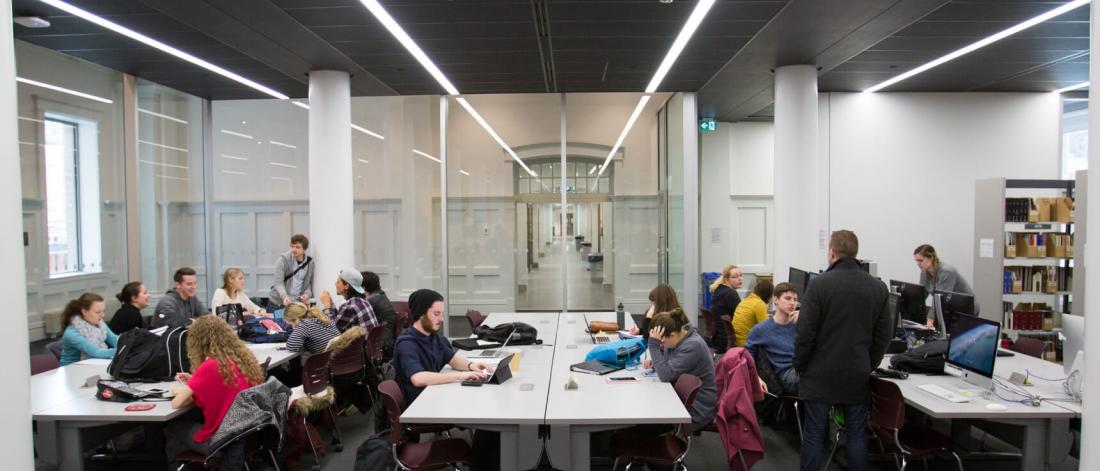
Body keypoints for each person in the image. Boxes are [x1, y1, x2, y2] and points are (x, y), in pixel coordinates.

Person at [794, 230, 892, 471]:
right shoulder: (878, 288)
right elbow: (883, 336)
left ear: (832, 252)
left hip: (818, 374)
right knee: (857, 434)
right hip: (856, 374)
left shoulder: (819, 285)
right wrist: (868, 363)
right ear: (855, 253)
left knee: (814, 435)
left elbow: (805, 332)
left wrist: (801, 364)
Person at [165, 315, 264, 469]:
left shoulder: (209, 366)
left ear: (199, 341)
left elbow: (176, 403)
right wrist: (197, 380)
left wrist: (193, 382)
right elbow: (224, 386)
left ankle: (180, 466)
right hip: (247, 436)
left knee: (173, 427)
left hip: (222, 442)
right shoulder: (241, 360)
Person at [391, 289, 492, 403]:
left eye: (442, 313)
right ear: (421, 315)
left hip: (436, 395)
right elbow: (418, 378)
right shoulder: (407, 344)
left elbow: (452, 359)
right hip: (421, 404)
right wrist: (460, 376)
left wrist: (471, 365)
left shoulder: (433, 337)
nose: (442, 319)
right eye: (436, 314)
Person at [645, 308, 717, 432]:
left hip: (696, 409)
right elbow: (668, 365)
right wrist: (658, 362)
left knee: (643, 424)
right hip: (681, 397)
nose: (662, 345)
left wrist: (653, 345)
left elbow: (666, 375)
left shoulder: (692, 345)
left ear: (672, 334)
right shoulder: (679, 339)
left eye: (662, 342)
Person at [745, 282, 800, 395]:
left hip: (802, 367)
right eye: (788, 298)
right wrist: (755, 377)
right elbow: (747, 357)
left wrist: (806, 322)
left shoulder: (799, 324)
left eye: (795, 299)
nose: (792, 303)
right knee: (820, 381)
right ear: (776, 300)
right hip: (786, 375)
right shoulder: (761, 329)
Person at [914, 244, 978, 328]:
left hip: (965, 309)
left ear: (931, 258)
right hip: (950, 309)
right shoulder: (924, 273)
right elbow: (921, 295)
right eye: (916, 261)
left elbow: (940, 298)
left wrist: (930, 318)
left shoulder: (947, 272)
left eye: (920, 260)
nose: (918, 264)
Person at [59, 293, 118, 366]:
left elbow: (114, 339)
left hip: (91, 365)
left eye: (103, 311)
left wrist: (129, 343)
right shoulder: (72, 333)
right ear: (84, 311)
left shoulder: (99, 323)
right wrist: (123, 350)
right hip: (73, 369)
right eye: (98, 312)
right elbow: (96, 352)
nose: (103, 315)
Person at [321, 269, 380, 333]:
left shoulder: (350, 307)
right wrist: (331, 304)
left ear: (346, 286)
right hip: (367, 342)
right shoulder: (363, 302)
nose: (335, 284)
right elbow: (339, 319)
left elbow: (332, 331)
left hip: (357, 342)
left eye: (338, 282)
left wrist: (327, 306)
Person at [269, 234, 314, 311]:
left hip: (296, 304)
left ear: (304, 249)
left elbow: (308, 284)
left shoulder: (310, 263)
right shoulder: (282, 260)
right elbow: (278, 283)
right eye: (292, 246)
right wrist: (284, 296)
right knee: (276, 323)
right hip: (279, 303)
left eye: (297, 247)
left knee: (294, 323)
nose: (293, 249)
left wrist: (307, 294)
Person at [361, 271, 398, 360]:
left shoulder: (371, 300)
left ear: (363, 287)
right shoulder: (380, 295)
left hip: (382, 345)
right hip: (388, 342)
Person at [709, 264, 743, 351]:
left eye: (741, 275)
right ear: (726, 280)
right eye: (735, 277)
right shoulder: (730, 294)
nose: (740, 279)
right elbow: (743, 316)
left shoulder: (719, 289)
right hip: (726, 340)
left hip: (718, 337)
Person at [732, 280, 773, 347]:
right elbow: (766, 329)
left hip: (737, 340)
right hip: (746, 343)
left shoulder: (746, 300)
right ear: (768, 294)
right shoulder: (759, 304)